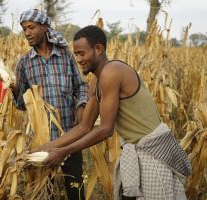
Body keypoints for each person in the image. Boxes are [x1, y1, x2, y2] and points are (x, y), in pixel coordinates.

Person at [37, 25, 192, 200]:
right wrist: (42, 149)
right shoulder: (96, 81)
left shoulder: (112, 71)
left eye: (82, 53)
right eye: (76, 54)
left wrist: (64, 151)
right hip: (136, 149)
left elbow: (106, 129)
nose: (78, 59)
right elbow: (84, 127)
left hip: (153, 150)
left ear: (98, 49)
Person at [11, 9, 88, 200]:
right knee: (46, 190)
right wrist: (14, 90)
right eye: (24, 29)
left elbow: (80, 87)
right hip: (41, 141)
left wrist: (81, 106)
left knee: (75, 186)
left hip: (70, 135)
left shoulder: (66, 56)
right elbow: (22, 105)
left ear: (45, 28)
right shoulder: (24, 64)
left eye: (31, 27)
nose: (27, 32)